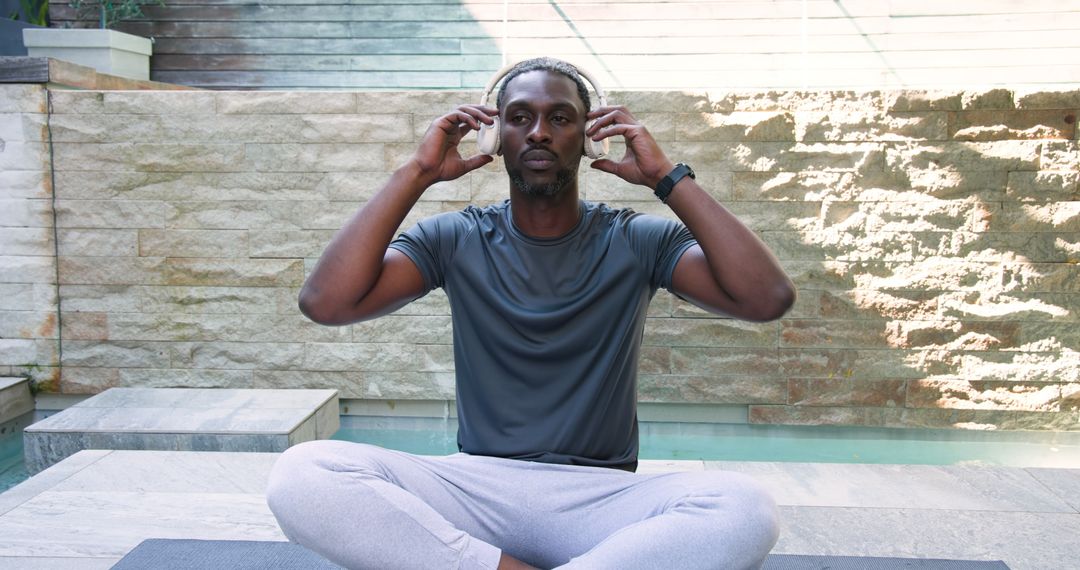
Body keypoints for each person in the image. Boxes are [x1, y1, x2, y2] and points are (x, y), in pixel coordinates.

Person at [266, 57, 795, 570]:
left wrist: (667, 178)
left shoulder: (637, 238)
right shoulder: (455, 236)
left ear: (589, 137)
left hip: (600, 497)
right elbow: (326, 303)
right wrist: (418, 171)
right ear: (495, 139)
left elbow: (766, 298)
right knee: (303, 475)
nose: (539, 132)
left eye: (560, 118)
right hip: (477, 487)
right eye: (519, 118)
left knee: (744, 507)